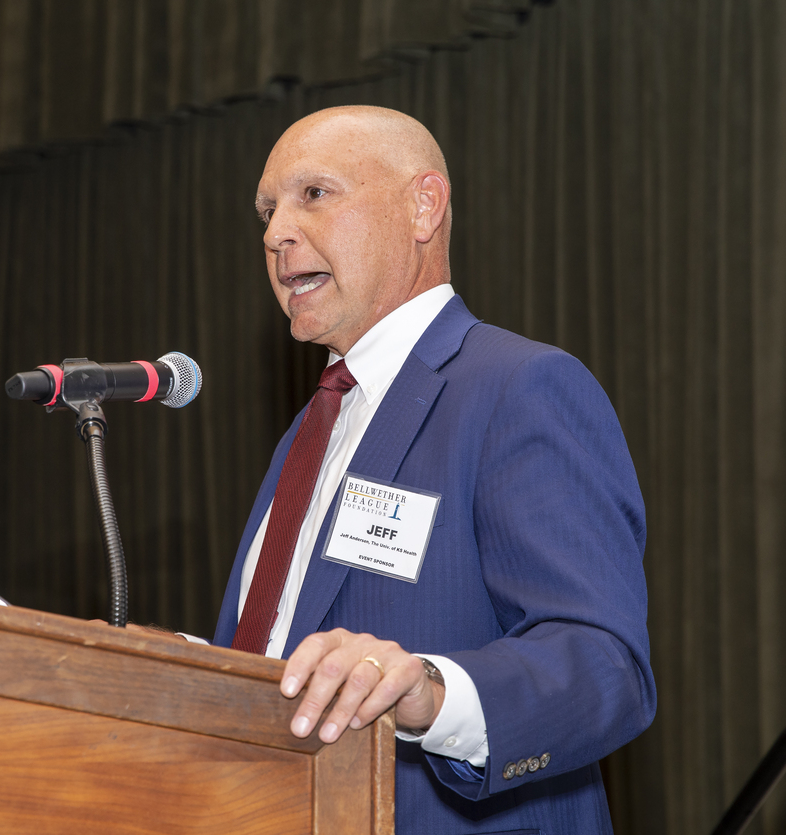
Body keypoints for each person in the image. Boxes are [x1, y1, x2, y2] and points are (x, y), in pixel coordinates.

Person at [210, 105, 656, 833]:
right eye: (267, 210)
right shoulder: (310, 428)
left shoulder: (518, 386)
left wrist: (433, 691)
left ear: (423, 206)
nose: (274, 233)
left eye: (313, 194)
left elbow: (604, 665)